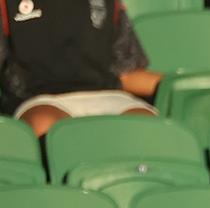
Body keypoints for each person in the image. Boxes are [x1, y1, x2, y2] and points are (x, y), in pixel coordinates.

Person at [0, 0, 163, 137]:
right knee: (48, 125)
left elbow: (127, 74)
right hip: (36, 100)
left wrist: (180, 84)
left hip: (109, 95)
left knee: (148, 125)